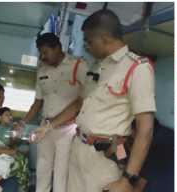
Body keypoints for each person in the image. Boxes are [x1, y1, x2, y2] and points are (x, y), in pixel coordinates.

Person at [34, 9, 155, 192]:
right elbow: (78, 104)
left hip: (104, 159)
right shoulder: (97, 67)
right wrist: (48, 126)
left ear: (104, 38)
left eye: (89, 41)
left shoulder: (136, 68)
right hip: (78, 149)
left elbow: (145, 129)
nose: (87, 46)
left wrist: (128, 179)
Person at [19, 32, 88, 192]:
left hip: (68, 128)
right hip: (45, 126)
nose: (42, 57)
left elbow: (83, 100)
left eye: (45, 52)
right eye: (40, 53)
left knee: (61, 172)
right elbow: (37, 102)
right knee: (42, 168)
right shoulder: (42, 71)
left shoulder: (78, 65)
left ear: (57, 48)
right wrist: (23, 122)